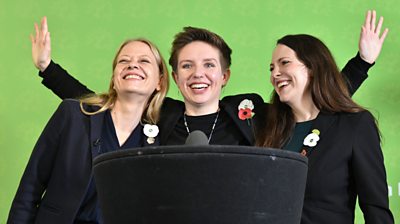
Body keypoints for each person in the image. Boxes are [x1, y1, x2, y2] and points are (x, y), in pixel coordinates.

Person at [32, 11, 382, 147]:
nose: (198, 74)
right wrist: (48, 69)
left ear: (225, 75)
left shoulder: (252, 113)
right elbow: (101, 103)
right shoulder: (159, 115)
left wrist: (362, 62)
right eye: (187, 66)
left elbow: (314, 100)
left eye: (209, 66)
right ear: (172, 76)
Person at [7, 17, 169, 223]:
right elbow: (30, 188)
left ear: (159, 81)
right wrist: (45, 66)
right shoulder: (73, 115)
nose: (132, 66)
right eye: (124, 61)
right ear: (114, 78)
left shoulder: (158, 141)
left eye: (144, 61)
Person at [256, 12, 392, 223]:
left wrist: (362, 63)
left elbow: (376, 210)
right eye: (272, 68)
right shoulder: (266, 124)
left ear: (312, 68)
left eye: (285, 63)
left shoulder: (353, 125)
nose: (275, 73)